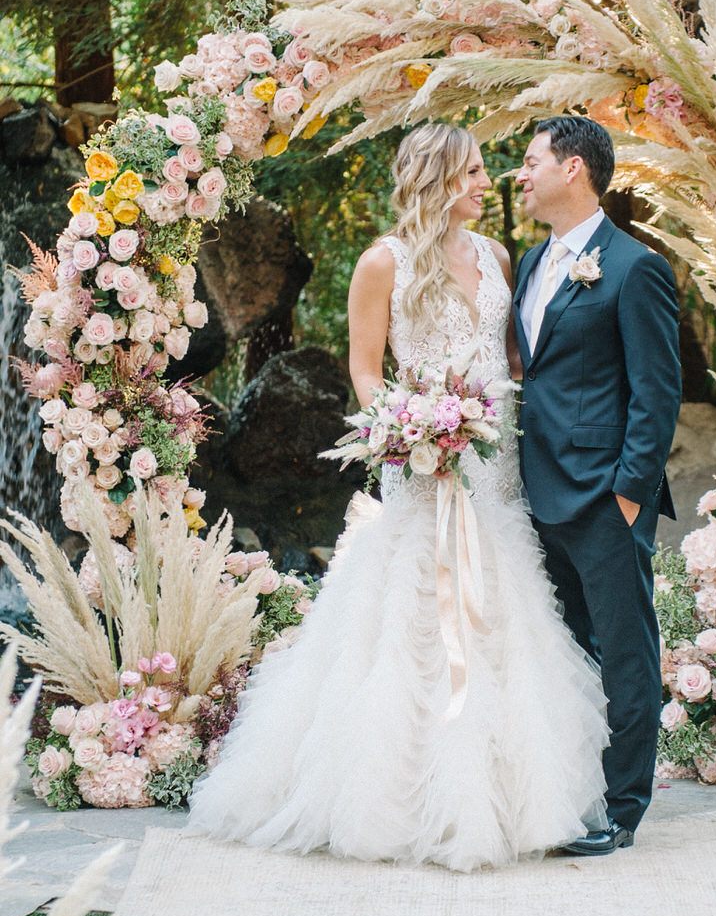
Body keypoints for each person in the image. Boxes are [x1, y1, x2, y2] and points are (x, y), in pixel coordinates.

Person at [185, 122, 609, 872]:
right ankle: (401, 797)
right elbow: (366, 365)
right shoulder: (382, 263)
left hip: (493, 463)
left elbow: (508, 358)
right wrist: (408, 427)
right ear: (440, 178)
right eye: (474, 171)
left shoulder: (498, 256)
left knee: (503, 612)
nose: (489, 182)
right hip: (419, 465)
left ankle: (515, 797)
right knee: (405, 618)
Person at [514, 116, 681, 856]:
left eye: (531, 161)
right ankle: (573, 794)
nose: (521, 174)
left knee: (623, 650)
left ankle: (623, 808)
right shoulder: (527, 262)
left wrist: (628, 493)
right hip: (532, 493)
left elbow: (657, 392)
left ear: (574, 167)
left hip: (603, 496)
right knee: (566, 652)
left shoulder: (633, 267)